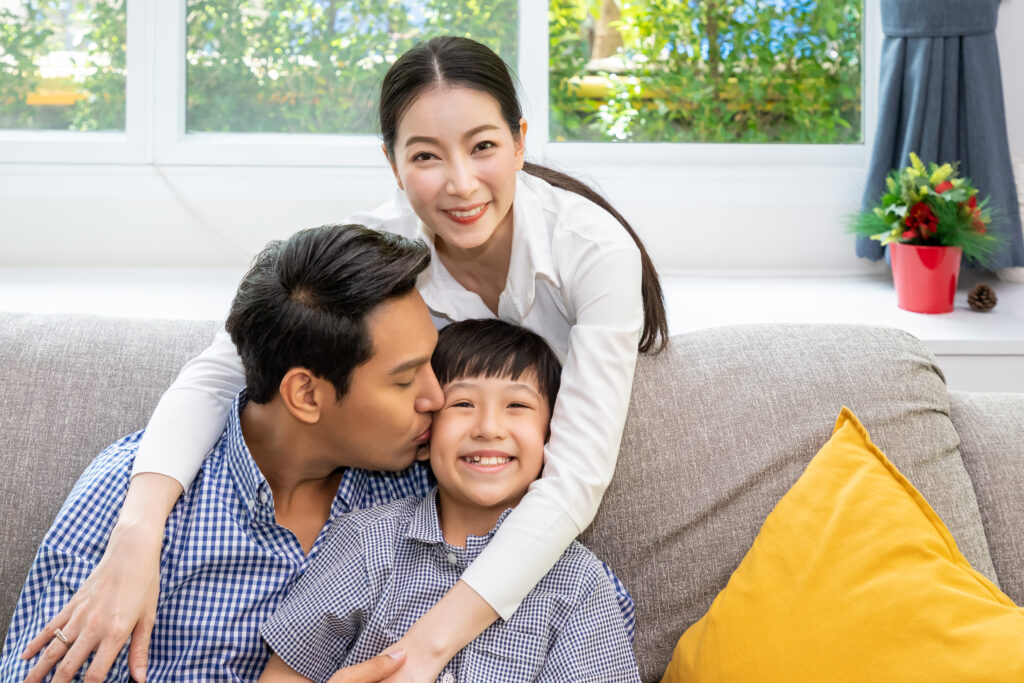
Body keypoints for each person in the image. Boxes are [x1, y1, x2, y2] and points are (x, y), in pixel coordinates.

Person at [22, 35, 667, 682]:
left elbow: (576, 477)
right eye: (425, 154)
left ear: (521, 141)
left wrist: (423, 650)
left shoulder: (589, 254)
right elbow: (221, 369)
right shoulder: (381, 255)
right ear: (390, 161)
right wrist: (139, 532)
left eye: (484, 146)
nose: (461, 182)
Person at [2, 224, 447, 682]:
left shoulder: (437, 492)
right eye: (404, 380)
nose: (437, 398)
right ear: (306, 396)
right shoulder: (127, 494)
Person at [258, 319, 640, 683]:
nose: (488, 429)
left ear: (554, 437)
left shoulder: (579, 584)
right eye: (462, 405)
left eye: (517, 406)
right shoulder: (365, 542)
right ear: (425, 433)